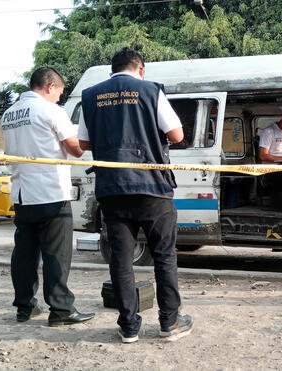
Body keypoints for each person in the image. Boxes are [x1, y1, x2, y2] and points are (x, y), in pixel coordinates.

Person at [78, 48, 192, 344]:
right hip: (152, 187)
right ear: (141, 69)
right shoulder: (150, 91)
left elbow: (83, 142)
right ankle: (170, 323)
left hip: (112, 189)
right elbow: (177, 134)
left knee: (121, 260)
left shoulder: (91, 95)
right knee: (164, 256)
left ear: (111, 71)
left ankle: (129, 326)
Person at [1, 67, 95, 326]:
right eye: (60, 92)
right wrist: (91, 139)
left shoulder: (9, 114)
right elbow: (75, 150)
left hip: (21, 193)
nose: (59, 98)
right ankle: (61, 310)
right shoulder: (51, 110)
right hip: (51, 192)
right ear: (50, 86)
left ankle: (25, 307)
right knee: (56, 254)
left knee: (25, 254)